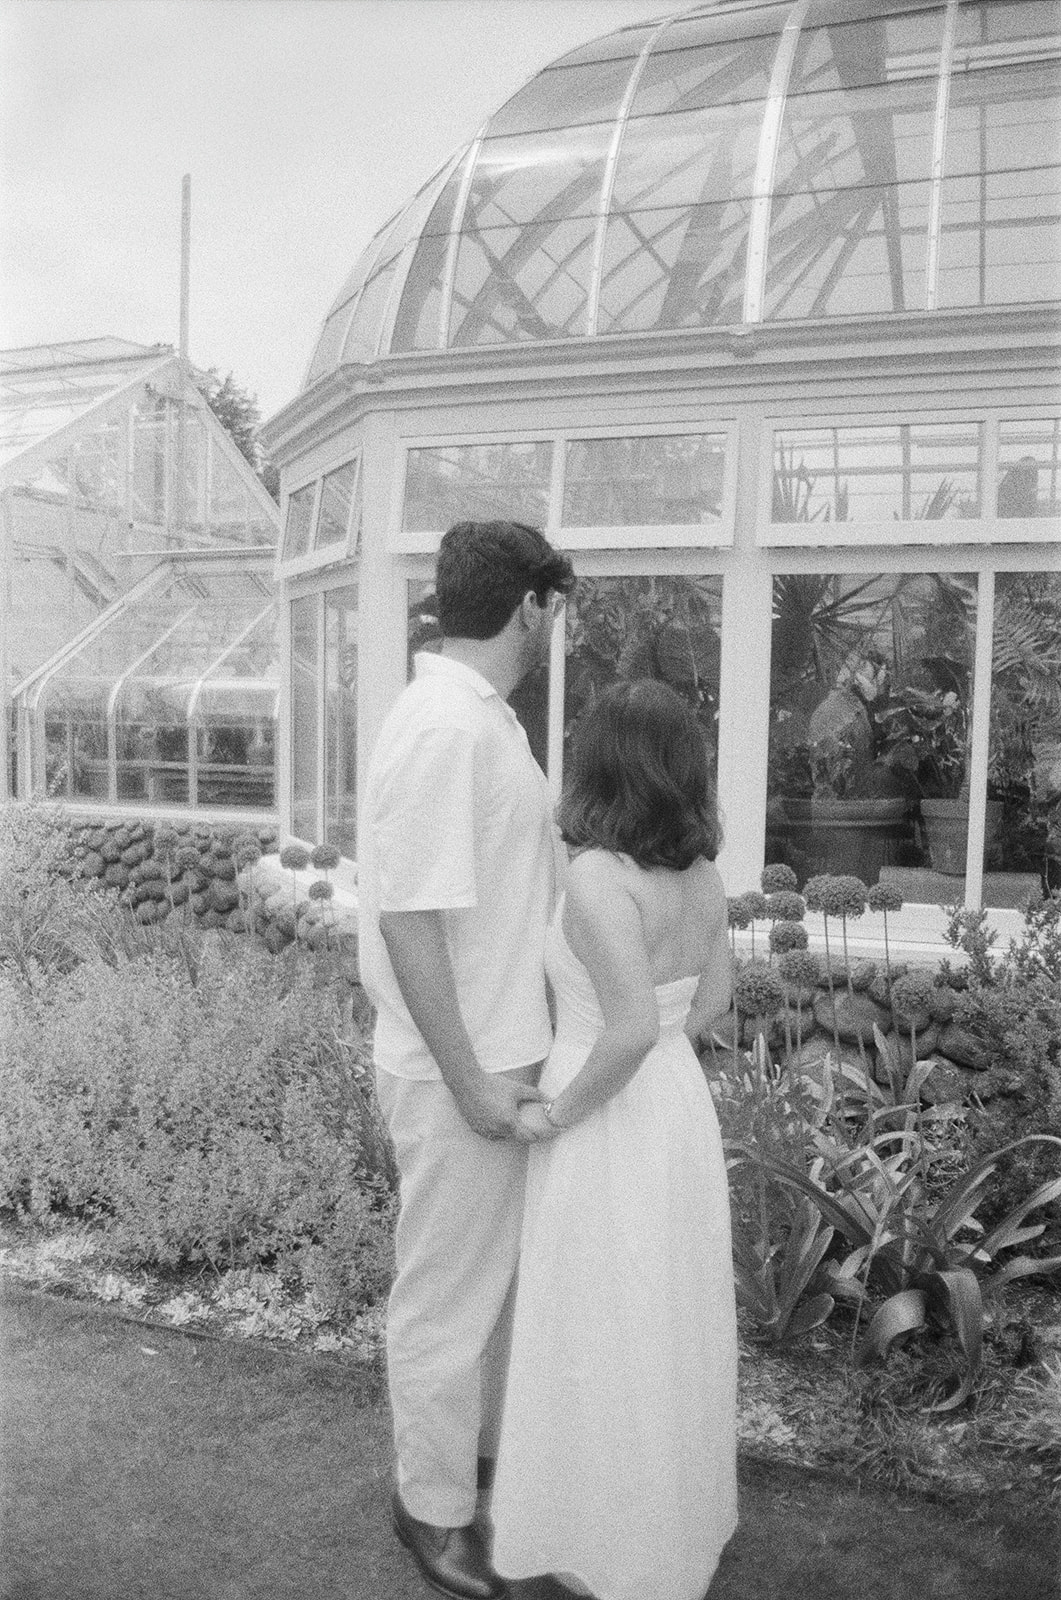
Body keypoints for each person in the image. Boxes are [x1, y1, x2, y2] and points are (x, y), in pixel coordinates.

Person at [357, 518, 575, 1600]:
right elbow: (409, 923)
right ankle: (431, 1514)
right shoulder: (445, 727)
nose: (550, 629)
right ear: (530, 606)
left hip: (503, 1054)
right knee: (445, 1298)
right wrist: (474, 1081)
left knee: (487, 1296)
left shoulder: (476, 719)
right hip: (463, 1071)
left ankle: (473, 1479)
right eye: (552, 607)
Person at [490, 678, 739, 1600]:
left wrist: (556, 1113)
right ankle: (662, 1530)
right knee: (661, 1315)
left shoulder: (597, 877)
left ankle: (596, 1539)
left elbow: (626, 1027)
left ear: (600, 760)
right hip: (672, 1106)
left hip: (604, 1105)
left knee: (593, 1319)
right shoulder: (704, 876)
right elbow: (704, 1007)